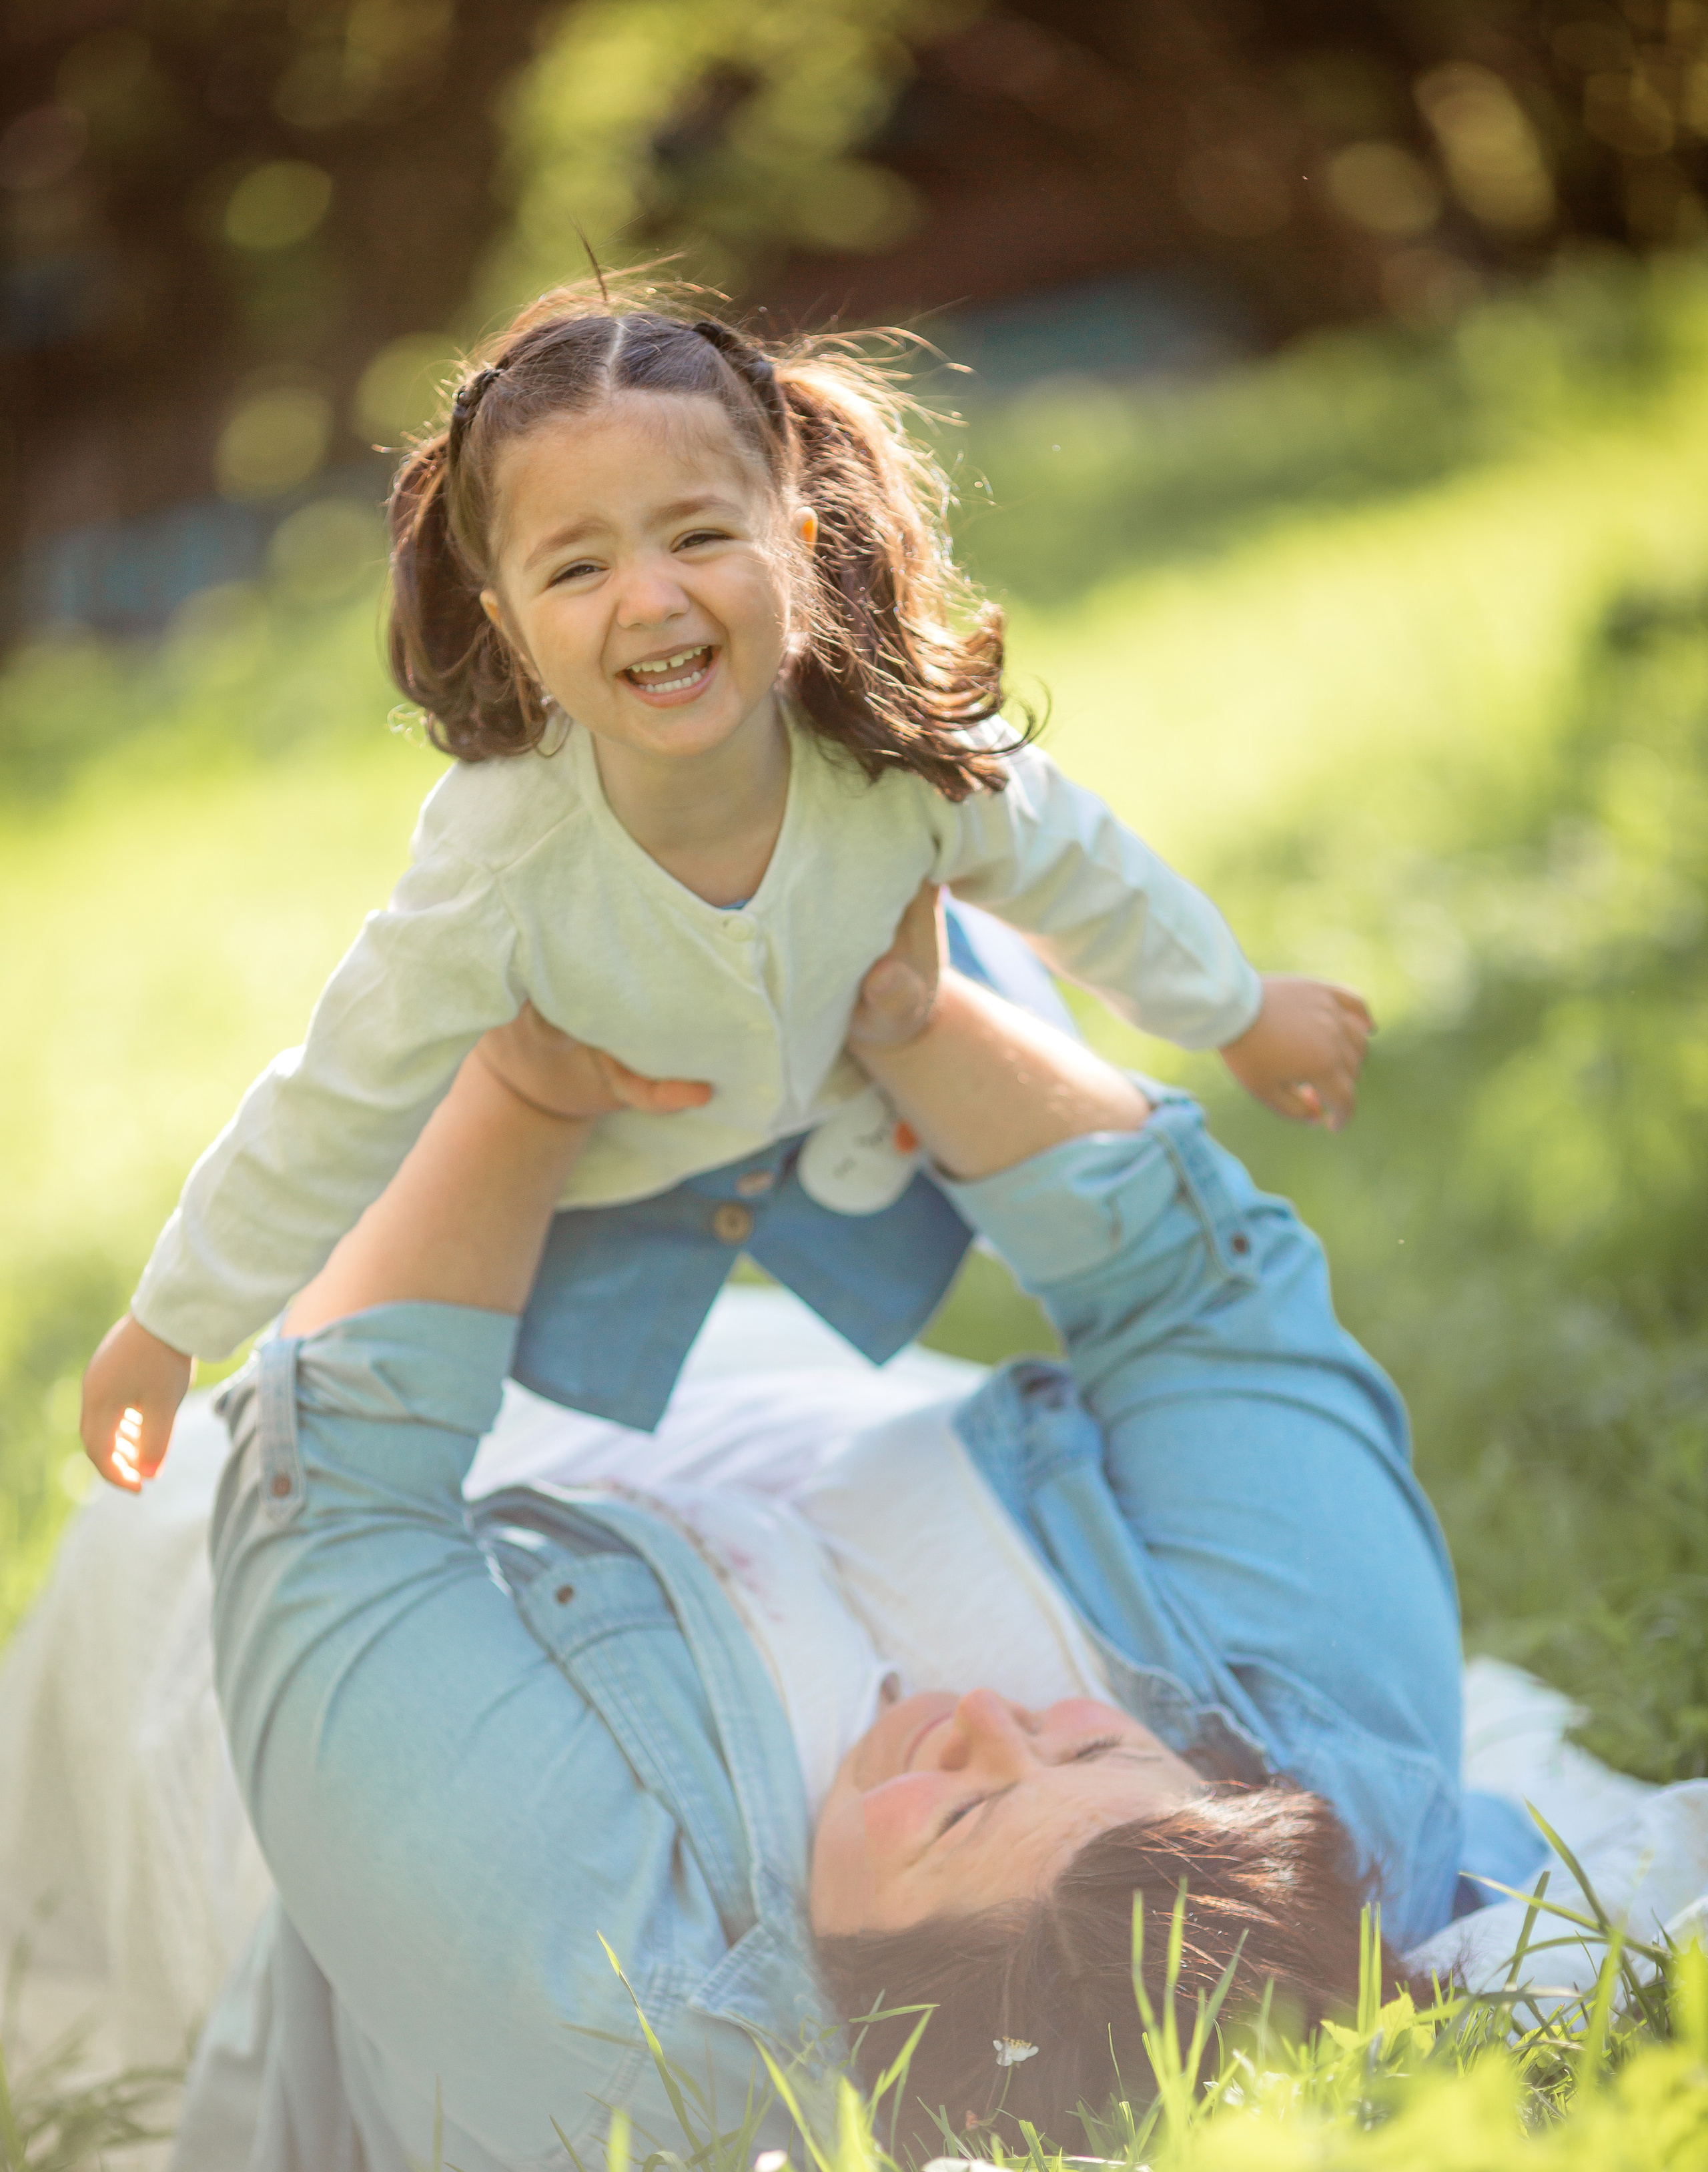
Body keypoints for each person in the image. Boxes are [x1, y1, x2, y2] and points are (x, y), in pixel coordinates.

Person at [168, 893, 1525, 2172]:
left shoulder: (596, 1989)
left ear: (855, 2022)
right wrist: (908, 1008)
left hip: (250, 1679)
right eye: (1085, 1744)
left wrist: (522, 1091)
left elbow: (334, 1489)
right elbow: (1197, 1291)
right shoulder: (1324, 1744)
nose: (981, 1714)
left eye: (952, 1816)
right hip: (792, 1415)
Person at [80, 284, 1373, 1488]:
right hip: (619, 1172)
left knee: (999, 1034)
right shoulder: (498, 860)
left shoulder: (892, 754)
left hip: (869, 1097)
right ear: (508, 619)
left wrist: (1234, 1009)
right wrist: (174, 1323)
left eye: (699, 535)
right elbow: (335, 1100)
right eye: (576, 568)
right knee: (484, 1417)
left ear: (796, 545)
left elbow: (1084, 873)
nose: (649, 599)